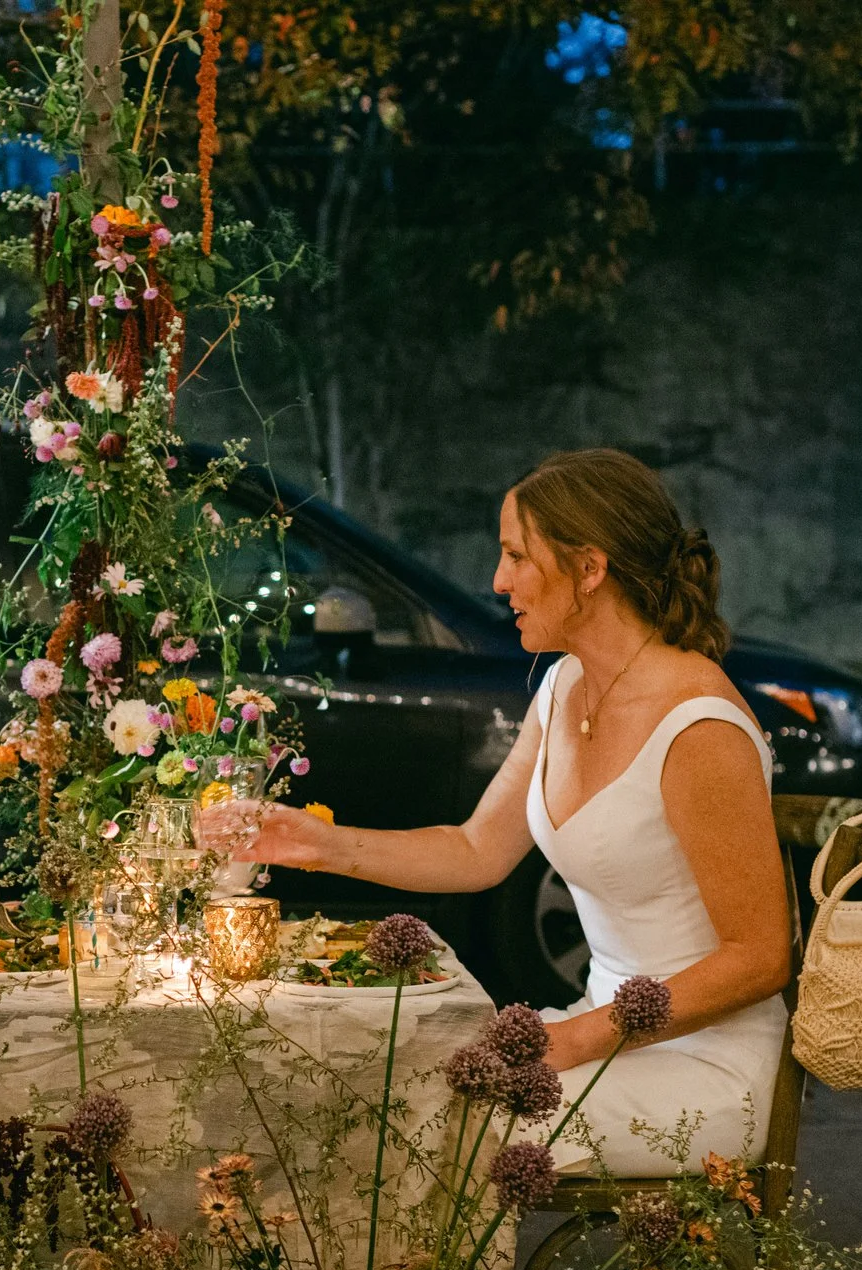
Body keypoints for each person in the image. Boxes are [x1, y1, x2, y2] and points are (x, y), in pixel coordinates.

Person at [207, 448, 792, 1176]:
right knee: (373, 1080)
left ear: (589, 569)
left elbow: (762, 956)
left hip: (700, 1071)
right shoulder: (566, 683)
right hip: (596, 1043)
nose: (497, 580)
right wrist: (321, 843)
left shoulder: (698, 724)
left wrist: (575, 1039)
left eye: (516, 555)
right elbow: (475, 848)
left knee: (422, 1127)